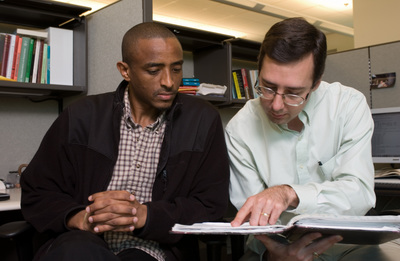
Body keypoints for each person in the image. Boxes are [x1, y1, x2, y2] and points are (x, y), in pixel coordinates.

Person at [20, 22, 230, 261]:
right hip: (83, 241)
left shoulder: (202, 120)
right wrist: (79, 218)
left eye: (176, 69)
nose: (169, 82)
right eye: (154, 70)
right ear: (125, 70)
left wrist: (145, 216)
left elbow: (210, 205)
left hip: (154, 247)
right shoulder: (81, 116)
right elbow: (37, 191)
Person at [225, 17, 399, 260]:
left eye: (293, 93)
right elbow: (252, 218)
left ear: (316, 84)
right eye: (267, 87)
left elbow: (359, 193)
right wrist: (277, 253)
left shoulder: (347, 106)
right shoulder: (239, 128)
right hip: (276, 247)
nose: (276, 105)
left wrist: (289, 193)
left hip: (347, 245)